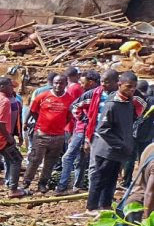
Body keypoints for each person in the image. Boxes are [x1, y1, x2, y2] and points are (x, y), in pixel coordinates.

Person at [86, 71, 144, 213]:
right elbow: (103, 130)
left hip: (119, 151)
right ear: (119, 85)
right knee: (99, 179)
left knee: (111, 180)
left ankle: (105, 206)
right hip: (107, 150)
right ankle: (91, 207)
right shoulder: (112, 104)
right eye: (128, 86)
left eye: (134, 87)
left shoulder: (128, 103)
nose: (131, 90)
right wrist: (121, 144)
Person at [23, 74, 73, 193]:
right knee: (35, 159)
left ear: (66, 84)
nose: (58, 85)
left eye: (61, 83)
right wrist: (36, 122)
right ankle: (26, 182)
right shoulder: (43, 96)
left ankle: (42, 183)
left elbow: (68, 117)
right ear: (52, 83)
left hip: (58, 136)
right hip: (41, 134)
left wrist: (59, 126)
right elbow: (33, 111)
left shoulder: (69, 99)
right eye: (56, 83)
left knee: (50, 161)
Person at [57, 70, 102, 193]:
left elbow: (74, 107)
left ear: (91, 82)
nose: (81, 85)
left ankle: (63, 185)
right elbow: (75, 108)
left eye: (83, 82)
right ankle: (77, 185)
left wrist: (84, 120)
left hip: (85, 131)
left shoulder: (92, 94)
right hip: (85, 130)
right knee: (81, 159)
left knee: (70, 157)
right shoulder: (93, 94)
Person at [123, 80, 154, 186]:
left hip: (133, 133)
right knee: (144, 158)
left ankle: (126, 182)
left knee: (130, 159)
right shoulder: (150, 100)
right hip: (147, 135)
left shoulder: (135, 99)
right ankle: (142, 182)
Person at [120, 136, 154, 225]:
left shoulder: (150, 147)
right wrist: (148, 222)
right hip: (141, 203)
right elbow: (149, 193)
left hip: (135, 200)